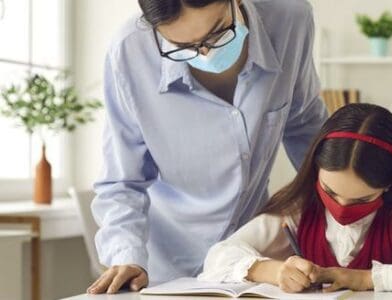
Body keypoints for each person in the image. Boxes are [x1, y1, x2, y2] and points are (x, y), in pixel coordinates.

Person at [89, 0, 327, 293]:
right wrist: (126, 256)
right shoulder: (129, 52)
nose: (205, 53)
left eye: (217, 33)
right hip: (164, 268)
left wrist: (347, 208)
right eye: (181, 46)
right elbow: (122, 181)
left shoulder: (290, 20)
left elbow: (305, 125)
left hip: (250, 260)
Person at [198, 103, 392, 294]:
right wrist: (272, 271)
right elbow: (218, 257)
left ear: (391, 183)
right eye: (330, 192)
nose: (341, 209)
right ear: (315, 170)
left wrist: (366, 279)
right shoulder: (298, 210)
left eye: (361, 200)